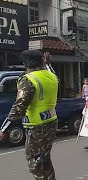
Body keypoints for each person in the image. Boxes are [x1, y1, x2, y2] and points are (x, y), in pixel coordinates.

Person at [0, 51, 58, 180]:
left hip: (37, 127)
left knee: (35, 163)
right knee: (44, 158)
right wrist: (47, 64)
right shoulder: (51, 76)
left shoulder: (29, 80)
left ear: (26, 63)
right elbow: (51, 72)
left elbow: (19, 107)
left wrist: (4, 129)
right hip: (51, 123)